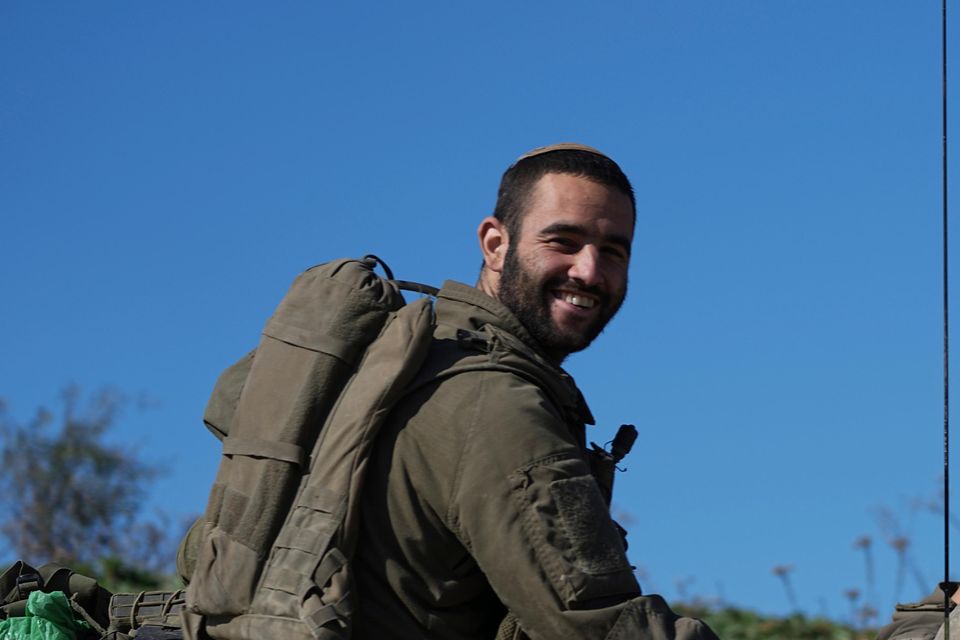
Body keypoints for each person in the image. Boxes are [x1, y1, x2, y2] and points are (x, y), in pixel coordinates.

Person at [351, 143, 718, 639]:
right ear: (495, 244)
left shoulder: (424, 358)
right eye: (563, 241)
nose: (589, 271)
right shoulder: (494, 404)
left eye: (612, 251)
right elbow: (605, 628)